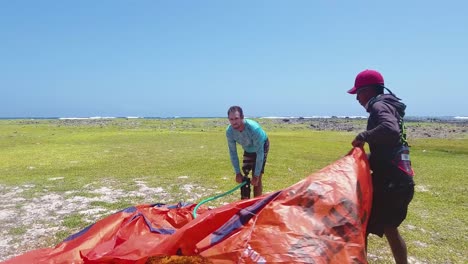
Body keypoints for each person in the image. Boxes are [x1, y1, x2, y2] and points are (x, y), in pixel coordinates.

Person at [348, 69, 415, 264]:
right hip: (401, 181)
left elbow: (390, 130)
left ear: (368, 90)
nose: (357, 99)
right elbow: (389, 149)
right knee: (390, 228)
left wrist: (363, 136)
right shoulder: (390, 106)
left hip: (390, 183)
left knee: (363, 224)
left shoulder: (379, 105)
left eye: (358, 93)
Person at [226, 106, 270, 199]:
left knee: (256, 179)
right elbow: (233, 152)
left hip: (261, 146)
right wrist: (237, 173)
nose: (234, 122)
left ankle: (256, 205)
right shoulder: (230, 132)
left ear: (242, 117)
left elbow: (260, 153)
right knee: (244, 175)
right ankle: (245, 202)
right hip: (248, 148)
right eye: (231, 119)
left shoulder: (254, 129)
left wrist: (257, 175)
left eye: (236, 118)